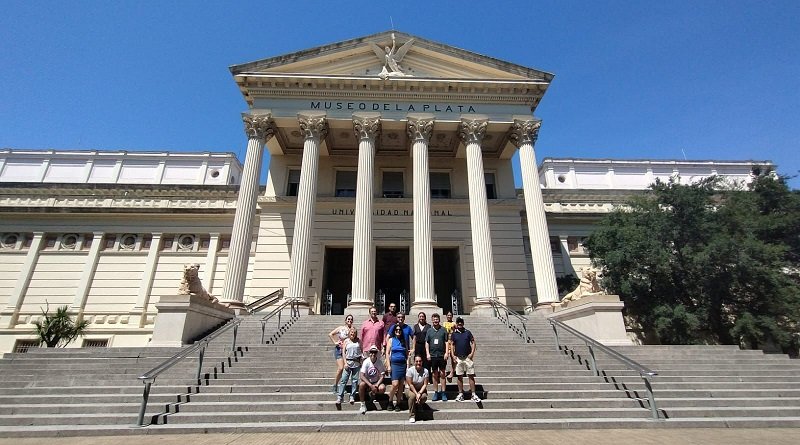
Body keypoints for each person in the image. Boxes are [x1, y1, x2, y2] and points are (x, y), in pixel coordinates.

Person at [450, 317, 481, 403]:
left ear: (463, 323)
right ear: (456, 323)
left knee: (471, 376)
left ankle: (473, 394)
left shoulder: (468, 332)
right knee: (459, 377)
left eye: (461, 322)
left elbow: (473, 342)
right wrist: (453, 355)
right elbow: (452, 344)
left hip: (467, 357)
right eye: (458, 322)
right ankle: (460, 394)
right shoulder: (454, 334)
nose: (460, 324)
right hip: (458, 358)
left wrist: (472, 353)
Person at [385, 323, 409, 411]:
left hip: (402, 364)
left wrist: (407, 366)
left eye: (399, 330)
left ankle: (398, 403)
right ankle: (390, 400)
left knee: (400, 386)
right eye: (396, 330)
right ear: (394, 331)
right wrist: (388, 365)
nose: (398, 331)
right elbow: (387, 353)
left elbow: (407, 354)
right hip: (394, 364)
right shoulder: (391, 340)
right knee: (395, 384)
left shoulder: (404, 341)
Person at [425, 313, 449, 401]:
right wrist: (427, 353)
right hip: (433, 355)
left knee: (442, 374)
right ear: (432, 320)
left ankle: (443, 392)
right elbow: (427, 342)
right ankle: (436, 392)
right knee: (434, 374)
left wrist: (447, 352)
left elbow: (447, 342)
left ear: (439, 320)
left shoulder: (443, 330)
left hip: (442, 355)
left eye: (437, 319)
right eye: (434, 319)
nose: (435, 321)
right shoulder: (429, 330)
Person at [336, 327, 362, 406]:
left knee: (354, 381)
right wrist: (345, 363)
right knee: (344, 380)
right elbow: (343, 352)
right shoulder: (346, 341)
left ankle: (352, 396)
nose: (352, 334)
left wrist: (361, 360)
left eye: (354, 332)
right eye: (351, 332)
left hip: (356, 362)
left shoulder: (358, 341)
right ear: (349, 333)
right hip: (348, 361)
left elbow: (362, 350)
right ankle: (340, 396)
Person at [328, 314, 354, 394]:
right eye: (348, 319)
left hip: (347, 351)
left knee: (346, 370)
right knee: (341, 368)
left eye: (351, 319)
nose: (349, 321)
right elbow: (331, 334)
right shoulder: (341, 328)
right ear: (345, 320)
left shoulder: (352, 330)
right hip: (339, 350)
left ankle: (342, 386)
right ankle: (335, 385)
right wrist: (335, 342)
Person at [358, 345, 387, 414]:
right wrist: (370, 385)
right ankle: (362, 404)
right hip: (368, 382)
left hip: (376, 382)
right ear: (369, 353)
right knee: (361, 385)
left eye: (375, 352)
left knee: (382, 388)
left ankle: (373, 393)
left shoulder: (379, 362)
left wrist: (376, 385)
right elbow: (361, 375)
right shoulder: (366, 362)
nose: (373, 354)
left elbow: (382, 375)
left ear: (377, 353)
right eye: (371, 352)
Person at [405, 355, 429, 423]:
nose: (418, 363)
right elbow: (410, 384)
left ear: (422, 362)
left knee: (424, 397)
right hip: (410, 389)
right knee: (412, 396)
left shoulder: (426, 371)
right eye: (417, 361)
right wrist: (416, 394)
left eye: (420, 361)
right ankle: (412, 416)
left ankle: (419, 405)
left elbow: (425, 384)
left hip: (420, 389)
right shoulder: (410, 370)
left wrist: (420, 393)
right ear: (414, 362)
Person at [443, 311, 456, 380]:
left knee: (452, 357)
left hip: (453, 342)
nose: (449, 316)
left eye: (450, 315)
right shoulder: (444, 323)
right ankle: (444, 370)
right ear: (446, 316)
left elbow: (456, 332)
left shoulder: (454, 323)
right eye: (448, 315)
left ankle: (452, 372)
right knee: (445, 356)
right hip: (446, 341)